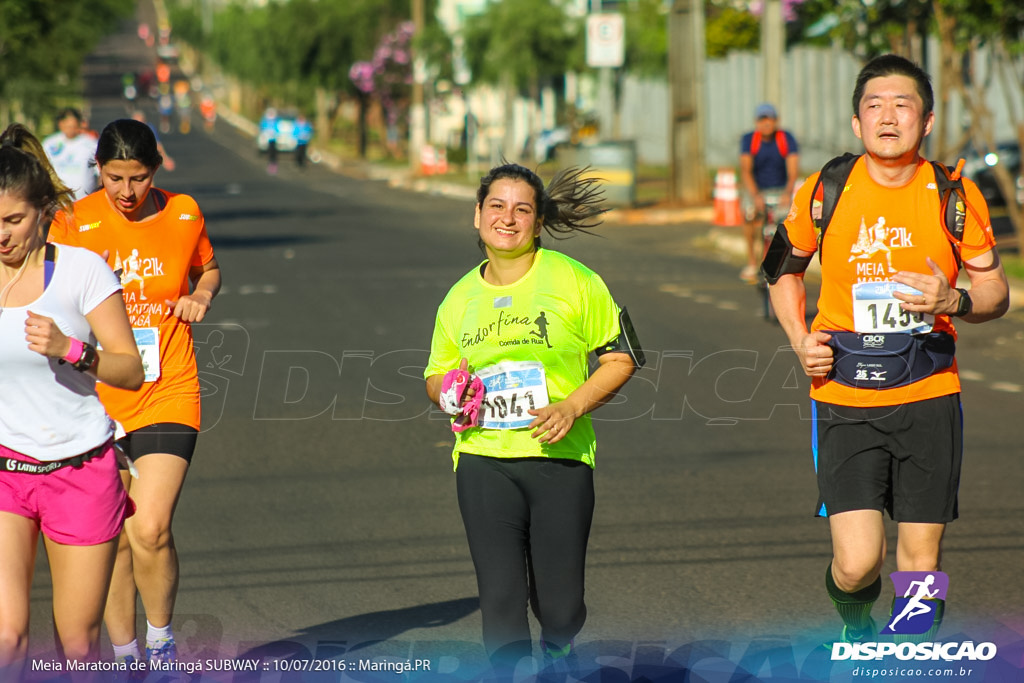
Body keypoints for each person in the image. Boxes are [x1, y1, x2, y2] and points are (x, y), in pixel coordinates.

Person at [763, 54, 1009, 645]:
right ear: (856, 122)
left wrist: (953, 301)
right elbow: (780, 272)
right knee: (856, 565)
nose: (888, 116)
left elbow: (996, 289)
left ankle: (905, 655)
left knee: (918, 566)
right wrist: (801, 341)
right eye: (874, 105)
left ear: (926, 121)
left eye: (903, 105)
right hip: (845, 393)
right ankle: (856, 620)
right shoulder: (826, 189)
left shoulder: (953, 193)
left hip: (929, 392)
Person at [424, 163, 641, 678]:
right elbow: (435, 375)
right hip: (483, 460)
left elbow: (622, 358)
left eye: (522, 209)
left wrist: (572, 406)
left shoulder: (575, 281)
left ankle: (560, 650)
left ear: (538, 222)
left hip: (559, 460)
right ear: (477, 215)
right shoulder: (457, 299)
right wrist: (449, 393)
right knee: (500, 600)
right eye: (496, 206)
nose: (507, 218)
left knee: (561, 608)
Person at [48, 118, 222, 666]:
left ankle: (161, 640)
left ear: (157, 170)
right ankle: (126, 657)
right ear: (98, 169)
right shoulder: (74, 220)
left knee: (149, 526)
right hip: (94, 393)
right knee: (115, 537)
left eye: (139, 178)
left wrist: (202, 296)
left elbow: (209, 268)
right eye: (114, 177)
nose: (125, 192)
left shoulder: (184, 212)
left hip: (168, 386)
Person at [0, 123, 144, 679]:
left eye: (14, 220)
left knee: (78, 646)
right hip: (7, 470)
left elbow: (130, 371)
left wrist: (72, 349)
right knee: (8, 634)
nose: (3, 235)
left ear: (42, 211)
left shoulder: (82, 272)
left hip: (80, 469)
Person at [739, 103, 799, 282]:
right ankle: (752, 261)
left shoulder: (785, 138)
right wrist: (755, 195)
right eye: (762, 120)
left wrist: (788, 192)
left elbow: (793, 170)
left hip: (781, 188)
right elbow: (745, 170)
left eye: (769, 119)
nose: (766, 124)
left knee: (787, 222)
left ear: (776, 121)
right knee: (750, 217)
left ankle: (783, 263)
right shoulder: (749, 140)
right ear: (756, 122)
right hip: (756, 188)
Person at [42, 108, 99, 201]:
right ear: (60, 124)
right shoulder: (49, 144)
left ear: (79, 125)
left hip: (84, 202)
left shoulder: (91, 144)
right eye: (67, 125)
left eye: (73, 126)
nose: (70, 129)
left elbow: (100, 172)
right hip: (57, 203)